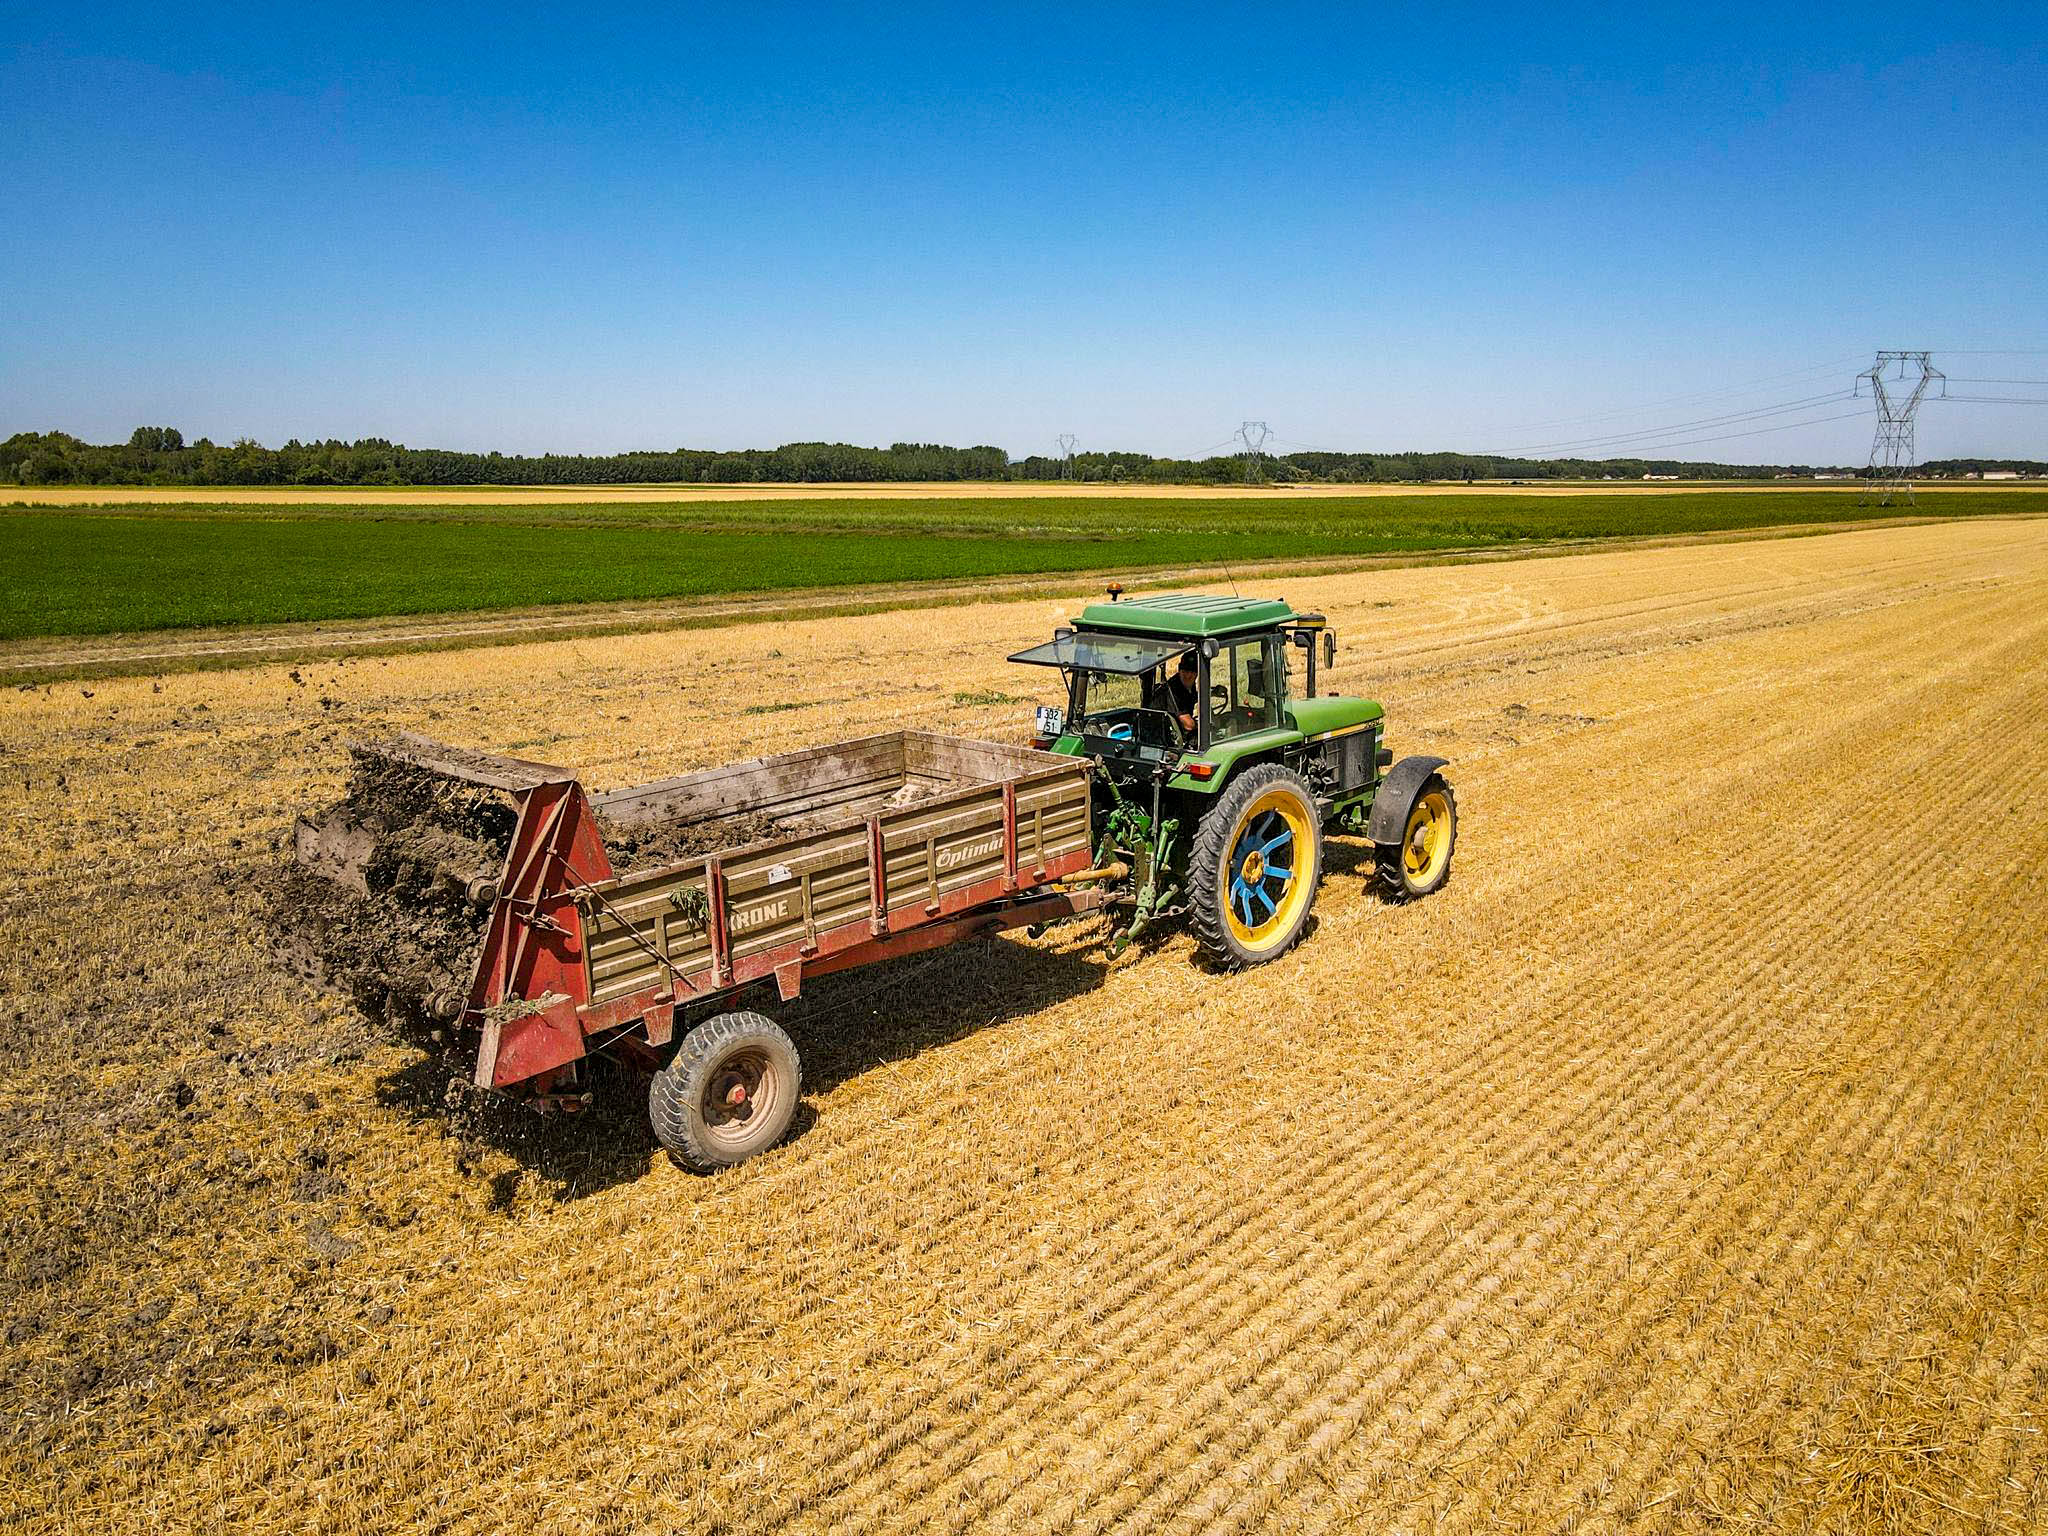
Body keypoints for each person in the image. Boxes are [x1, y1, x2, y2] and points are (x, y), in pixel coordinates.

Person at [1161, 651, 1200, 738]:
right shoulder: (1173, 690)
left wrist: (1212, 692)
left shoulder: (1188, 685)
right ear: (1179, 670)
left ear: (1197, 673)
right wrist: (1204, 726)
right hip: (1167, 737)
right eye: (1185, 671)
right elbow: (1188, 725)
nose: (1188, 675)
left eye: (1192, 672)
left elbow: (1192, 698)